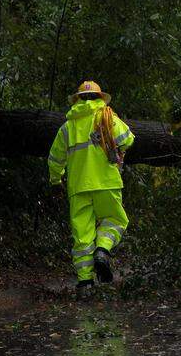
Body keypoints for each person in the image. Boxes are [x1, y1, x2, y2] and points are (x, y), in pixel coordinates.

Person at [47, 81, 135, 300]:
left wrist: (56, 180)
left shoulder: (67, 127)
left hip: (78, 187)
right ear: (98, 97)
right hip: (106, 182)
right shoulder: (106, 117)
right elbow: (128, 139)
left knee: (82, 236)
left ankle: (85, 283)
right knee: (116, 221)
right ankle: (103, 250)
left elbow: (55, 159)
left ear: (77, 100)